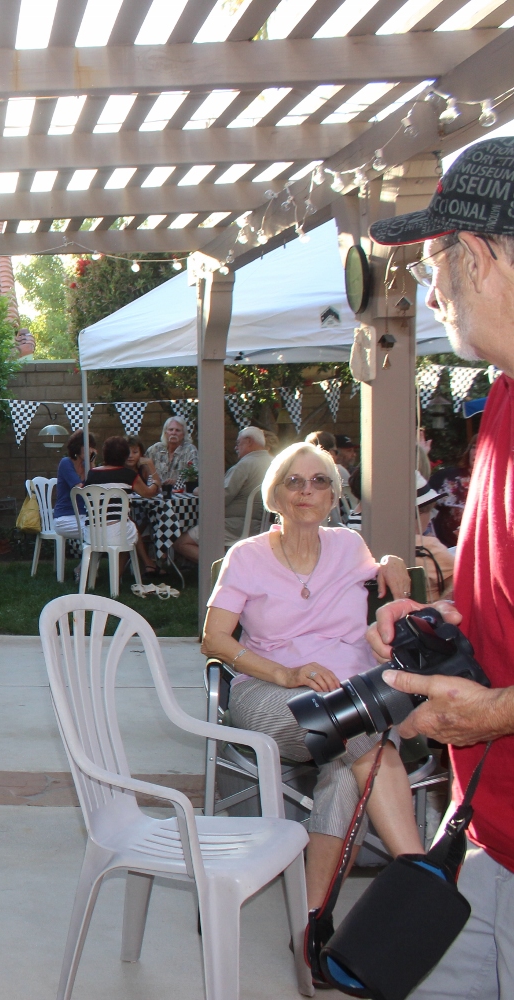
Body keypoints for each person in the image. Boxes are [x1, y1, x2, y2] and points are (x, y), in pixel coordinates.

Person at [366, 135, 514, 1000]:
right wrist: (455, 611)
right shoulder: (501, 395)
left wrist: (492, 711)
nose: (429, 292)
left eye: (433, 265)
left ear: (481, 256)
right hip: (487, 828)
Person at [201, 442, 416, 909]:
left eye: (319, 481)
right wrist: (286, 672)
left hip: (355, 692)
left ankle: (313, 926)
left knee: (346, 770)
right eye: (293, 481)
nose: (306, 491)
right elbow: (214, 639)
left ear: (334, 495)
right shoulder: (247, 556)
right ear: (274, 495)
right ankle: (417, 867)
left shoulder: (348, 545)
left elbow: (374, 574)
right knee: (367, 733)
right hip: (271, 691)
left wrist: (392, 562)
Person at [173, 426, 273, 563]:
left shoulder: (244, 466)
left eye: (238, 443)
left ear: (249, 441)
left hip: (235, 526)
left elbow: (220, 498)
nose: (236, 448)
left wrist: (199, 491)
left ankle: (225, 568)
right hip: (262, 524)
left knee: (181, 542)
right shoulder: (273, 463)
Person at [85, 435, 158, 573]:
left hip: (91, 533)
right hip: (115, 533)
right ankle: (117, 578)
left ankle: (107, 578)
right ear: (124, 455)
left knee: (127, 526)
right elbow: (148, 493)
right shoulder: (128, 475)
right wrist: (156, 482)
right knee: (128, 533)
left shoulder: (92, 474)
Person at [426, 432, 475, 546]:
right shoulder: (447, 477)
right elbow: (421, 503)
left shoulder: (497, 484)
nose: (476, 452)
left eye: (482, 447)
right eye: (474, 447)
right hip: (443, 546)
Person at [414, 473, 454, 602]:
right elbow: (460, 585)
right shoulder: (430, 548)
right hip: (425, 617)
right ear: (419, 513)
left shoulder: (361, 540)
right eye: (429, 511)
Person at [49, 431, 89, 542]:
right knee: (95, 531)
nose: (90, 450)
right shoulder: (66, 463)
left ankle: (90, 559)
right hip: (65, 517)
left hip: (84, 516)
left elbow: (95, 486)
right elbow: (80, 488)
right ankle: (88, 559)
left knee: (103, 530)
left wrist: (92, 464)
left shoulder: (87, 466)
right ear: (77, 447)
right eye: (86, 446)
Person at [306, 430, 358, 509]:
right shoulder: (336, 470)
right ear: (330, 452)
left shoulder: (301, 472)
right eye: (336, 452)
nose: (354, 455)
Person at [145, 416, 199, 489]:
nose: (173, 433)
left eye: (177, 430)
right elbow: (143, 469)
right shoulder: (155, 449)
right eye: (171, 430)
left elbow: (195, 476)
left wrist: (176, 482)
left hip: (181, 495)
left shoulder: (190, 450)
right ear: (165, 433)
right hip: (156, 493)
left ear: (183, 434)